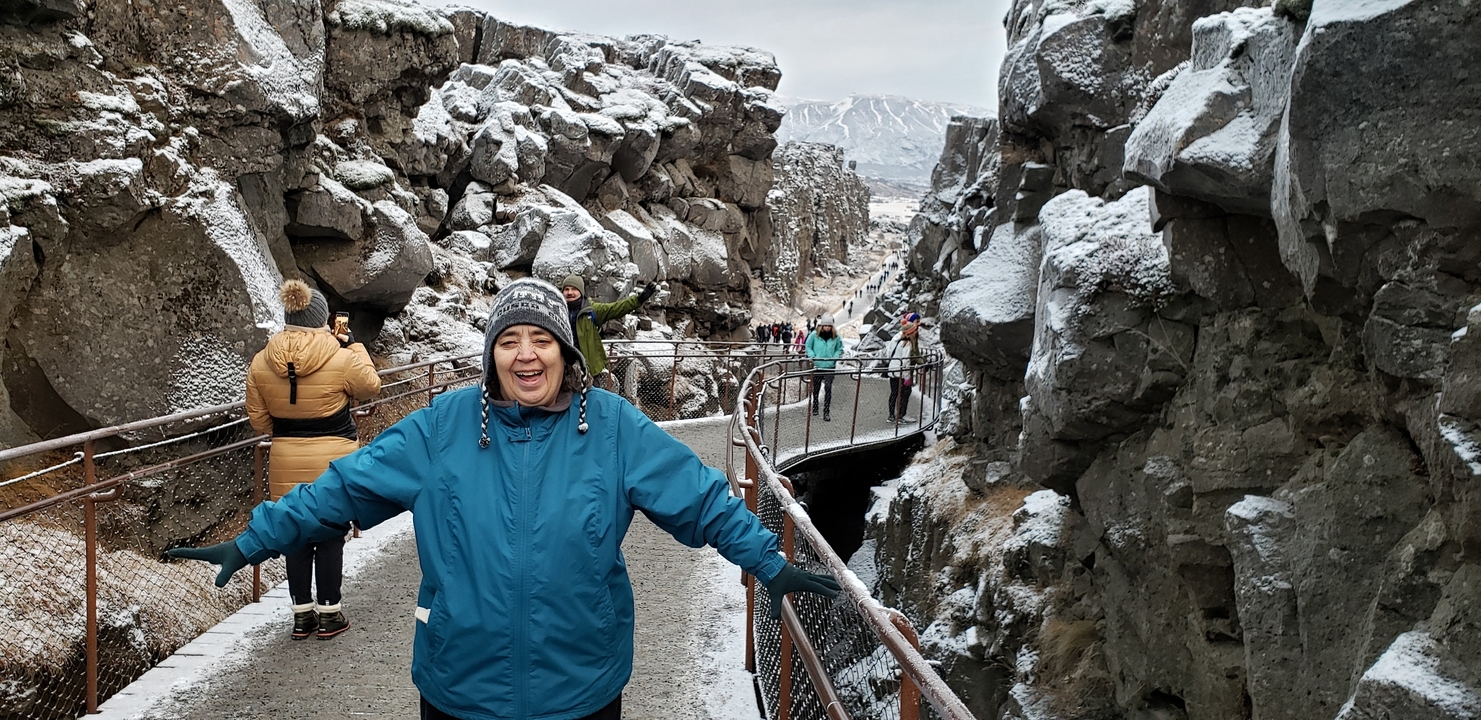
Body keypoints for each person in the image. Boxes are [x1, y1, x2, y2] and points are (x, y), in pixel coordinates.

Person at [169, 278, 840, 720]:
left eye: (541, 339)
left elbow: (700, 498)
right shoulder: (442, 426)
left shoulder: (612, 427)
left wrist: (767, 561)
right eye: (509, 341)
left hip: (581, 686)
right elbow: (342, 487)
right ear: (491, 354)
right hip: (462, 686)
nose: (526, 355)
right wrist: (253, 540)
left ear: (565, 352)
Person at [245, 280, 381, 640]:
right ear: (322, 320)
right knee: (330, 534)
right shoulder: (340, 357)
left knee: (296, 534)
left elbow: (259, 421)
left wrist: (288, 427)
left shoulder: (262, 361)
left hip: (285, 457)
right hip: (333, 462)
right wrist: (354, 345)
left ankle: (302, 615)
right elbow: (371, 386)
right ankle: (330, 614)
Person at [561, 274, 656, 379]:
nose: (570, 292)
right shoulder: (557, 310)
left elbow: (616, 308)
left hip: (589, 368)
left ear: (581, 291)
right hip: (562, 367)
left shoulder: (591, 310)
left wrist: (639, 300)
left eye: (574, 289)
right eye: (566, 289)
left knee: (592, 389)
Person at [883, 312, 924, 424]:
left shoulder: (895, 339)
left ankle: (891, 415)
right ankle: (900, 416)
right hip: (901, 372)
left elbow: (889, 353)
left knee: (894, 393)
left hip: (892, 370)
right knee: (904, 394)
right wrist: (907, 378)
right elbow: (906, 362)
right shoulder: (908, 344)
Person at [806, 315, 843, 422]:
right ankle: (815, 405)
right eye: (825, 325)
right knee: (816, 387)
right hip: (818, 365)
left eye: (829, 326)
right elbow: (808, 345)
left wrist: (835, 357)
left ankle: (826, 412)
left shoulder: (836, 336)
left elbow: (839, 348)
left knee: (828, 388)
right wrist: (812, 356)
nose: (827, 327)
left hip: (830, 366)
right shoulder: (814, 335)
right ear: (822, 325)